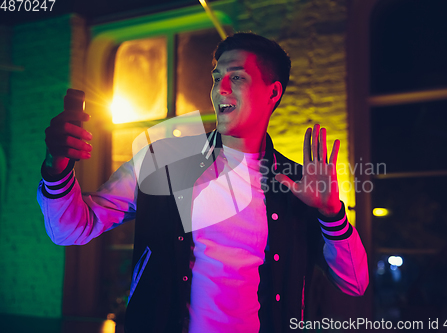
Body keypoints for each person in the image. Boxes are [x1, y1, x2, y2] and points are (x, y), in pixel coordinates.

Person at [38, 33, 368, 333]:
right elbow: (70, 228)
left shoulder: (298, 185)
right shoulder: (164, 162)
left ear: (273, 92)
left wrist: (332, 212)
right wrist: (58, 166)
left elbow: (355, 282)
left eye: (236, 77)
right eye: (216, 78)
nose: (220, 88)